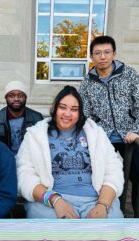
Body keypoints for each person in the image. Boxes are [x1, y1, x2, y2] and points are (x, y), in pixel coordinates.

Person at [16, 86, 124, 219]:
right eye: (63, 107)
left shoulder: (96, 133)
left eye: (74, 109)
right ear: (54, 108)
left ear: (80, 113)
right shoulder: (35, 135)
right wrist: (55, 200)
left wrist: (103, 205)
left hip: (95, 200)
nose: (67, 114)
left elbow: (113, 170)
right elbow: (24, 175)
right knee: (48, 231)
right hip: (50, 201)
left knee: (111, 229)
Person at [79, 35, 139, 216]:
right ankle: (110, 213)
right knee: (103, 178)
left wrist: (136, 130)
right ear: (91, 57)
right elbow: (85, 114)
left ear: (114, 54)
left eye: (107, 52)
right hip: (102, 139)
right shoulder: (87, 82)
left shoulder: (129, 74)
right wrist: (94, 135)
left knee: (137, 175)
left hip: (129, 136)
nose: (102, 57)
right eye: (97, 53)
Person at [0, 80, 43, 156]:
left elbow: (42, 144)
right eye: (11, 96)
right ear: (6, 98)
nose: (16, 99)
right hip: (3, 160)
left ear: (25, 98)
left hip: (29, 161)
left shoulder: (37, 118)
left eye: (20, 95)